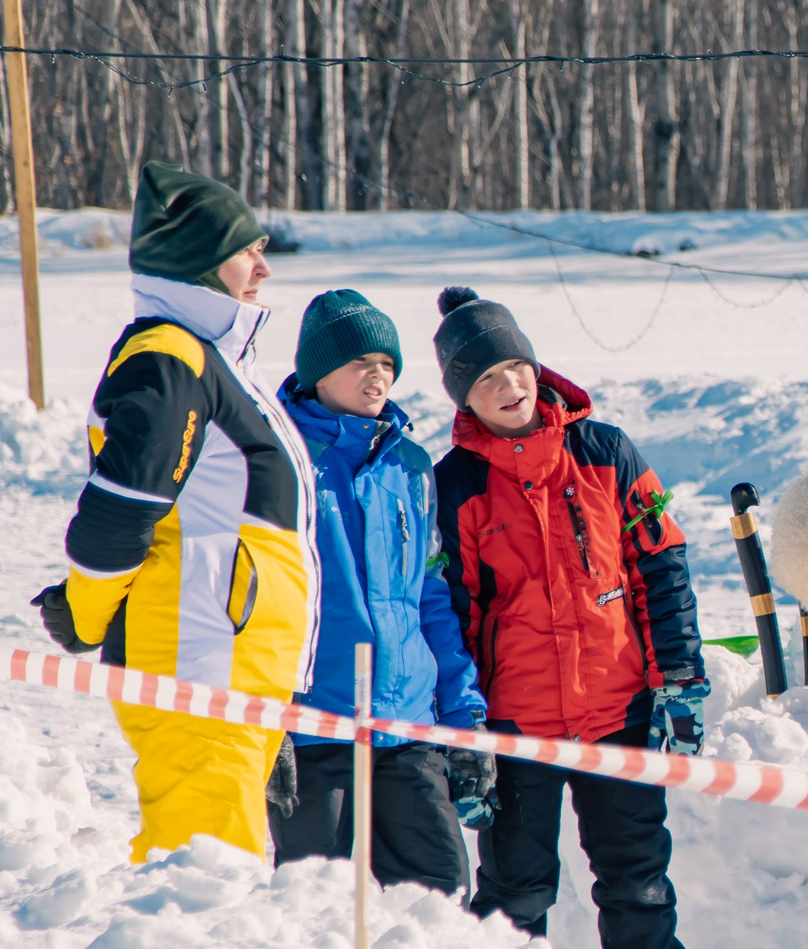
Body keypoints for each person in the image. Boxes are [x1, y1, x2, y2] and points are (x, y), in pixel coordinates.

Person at [429, 287, 705, 949]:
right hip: (519, 723)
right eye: (486, 379)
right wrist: (463, 735)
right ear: (464, 395)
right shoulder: (455, 485)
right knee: (516, 886)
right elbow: (450, 617)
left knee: (636, 871)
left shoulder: (605, 452)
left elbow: (662, 562)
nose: (508, 387)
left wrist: (678, 678)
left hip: (619, 710)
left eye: (514, 367)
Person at [33, 162, 316, 861]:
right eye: (248, 251)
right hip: (201, 657)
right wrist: (86, 609)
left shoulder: (208, 356)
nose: (264, 269)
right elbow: (117, 514)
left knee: (212, 872)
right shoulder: (170, 358)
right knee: (208, 882)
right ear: (200, 260)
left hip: (227, 658)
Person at [271, 290, 491, 892]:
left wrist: (465, 717)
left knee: (441, 896)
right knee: (316, 909)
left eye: (388, 363)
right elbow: (248, 601)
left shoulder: (411, 465)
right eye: (359, 362)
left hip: (408, 726)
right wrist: (264, 725)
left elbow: (431, 597)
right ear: (318, 372)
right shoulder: (278, 460)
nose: (378, 375)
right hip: (313, 725)